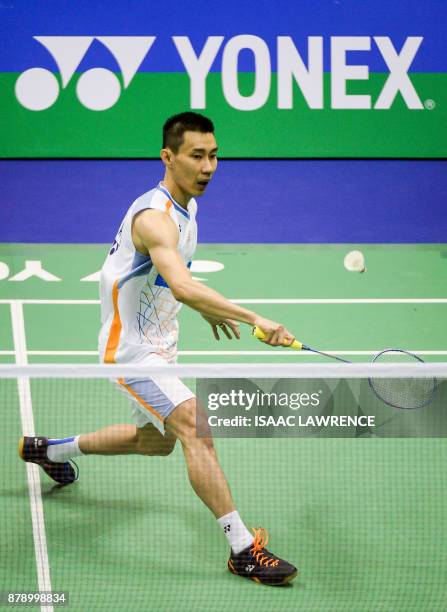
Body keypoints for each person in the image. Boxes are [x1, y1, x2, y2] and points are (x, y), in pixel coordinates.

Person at [19, 112, 298, 586]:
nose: (208, 166)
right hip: (130, 353)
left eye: (213, 155)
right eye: (196, 156)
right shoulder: (155, 218)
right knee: (195, 425)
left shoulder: (186, 206)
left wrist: (201, 304)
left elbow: (171, 281)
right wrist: (252, 317)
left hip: (161, 348)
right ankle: (241, 549)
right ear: (168, 157)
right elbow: (183, 284)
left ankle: (50, 450)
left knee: (158, 442)